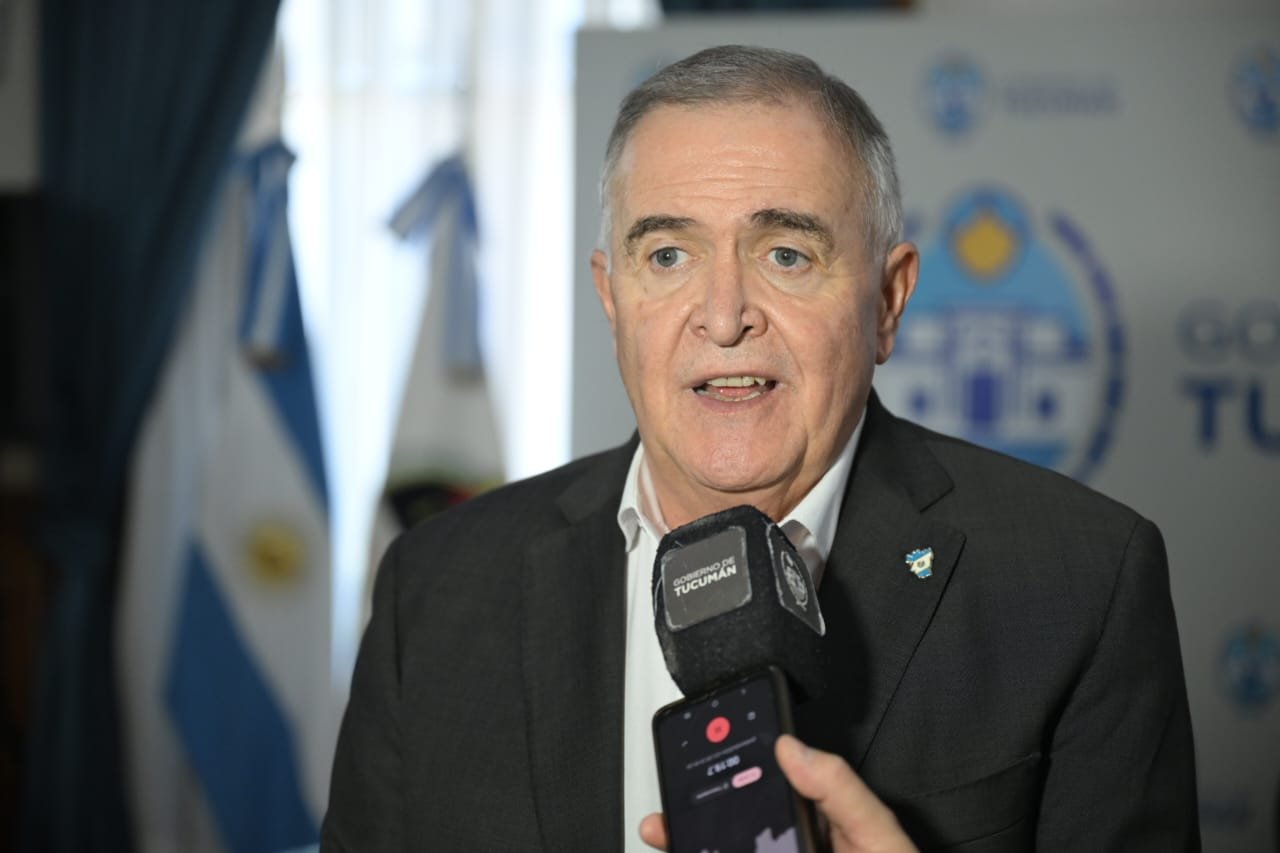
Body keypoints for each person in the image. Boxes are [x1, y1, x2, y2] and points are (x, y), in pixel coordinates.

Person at [322, 45, 1198, 852]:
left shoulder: (1080, 583)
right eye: (669, 256)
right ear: (611, 298)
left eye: (785, 254)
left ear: (888, 300)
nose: (723, 315)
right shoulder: (432, 592)